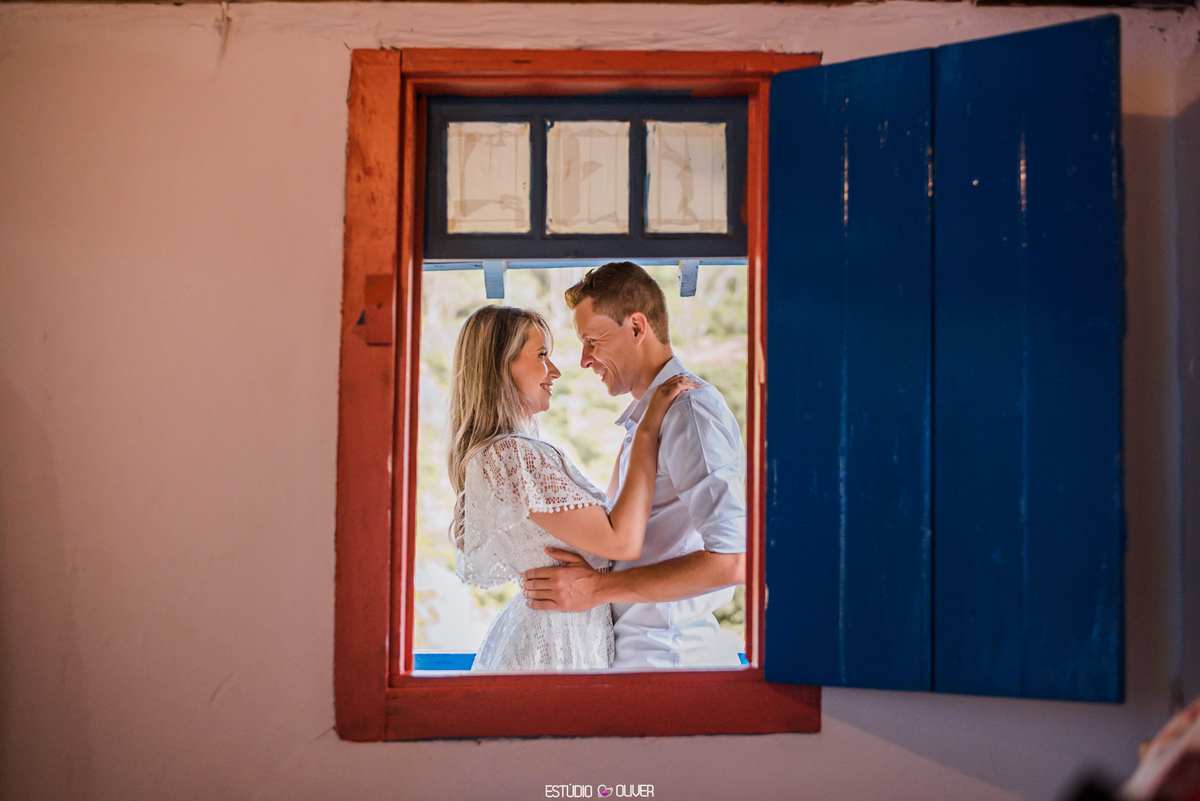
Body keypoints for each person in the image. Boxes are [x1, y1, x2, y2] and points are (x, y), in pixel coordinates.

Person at [521, 261, 747, 669]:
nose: (584, 360)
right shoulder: (649, 419)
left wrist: (597, 589)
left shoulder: (690, 413)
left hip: (668, 659)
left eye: (593, 341)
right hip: (638, 654)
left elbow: (732, 559)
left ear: (637, 328)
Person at [449, 305, 696, 671]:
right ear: (503, 365)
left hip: (558, 638)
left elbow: (608, 515)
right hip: (551, 649)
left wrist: (639, 428)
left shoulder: (505, 451)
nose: (555, 371)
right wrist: (647, 429)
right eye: (542, 355)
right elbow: (621, 542)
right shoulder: (512, 454)